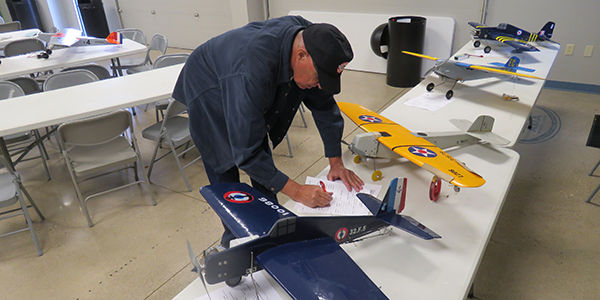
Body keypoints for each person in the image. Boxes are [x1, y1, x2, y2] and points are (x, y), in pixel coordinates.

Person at [172, 15, 364, 247]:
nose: (321, 85)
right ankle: (234, 239)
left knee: (261, 161)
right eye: (319, 78)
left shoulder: (312, 40)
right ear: (301, 56)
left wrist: (337, 163)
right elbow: (246, 152)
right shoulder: (252, 71)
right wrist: (298, 191)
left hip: (241, 74)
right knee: (225, 166)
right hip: (208, 86)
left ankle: (272, 230)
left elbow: (324, 105)